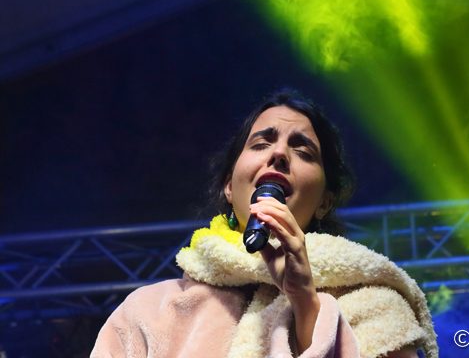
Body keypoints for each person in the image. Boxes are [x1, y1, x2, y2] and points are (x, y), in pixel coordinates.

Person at [91, 90, 438, 358]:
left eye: (303, 152)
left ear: (324, 201)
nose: (279, 154)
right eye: (261, 143)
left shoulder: (377, 308)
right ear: (229, 186)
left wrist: (306, 304)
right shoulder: (149, 311)